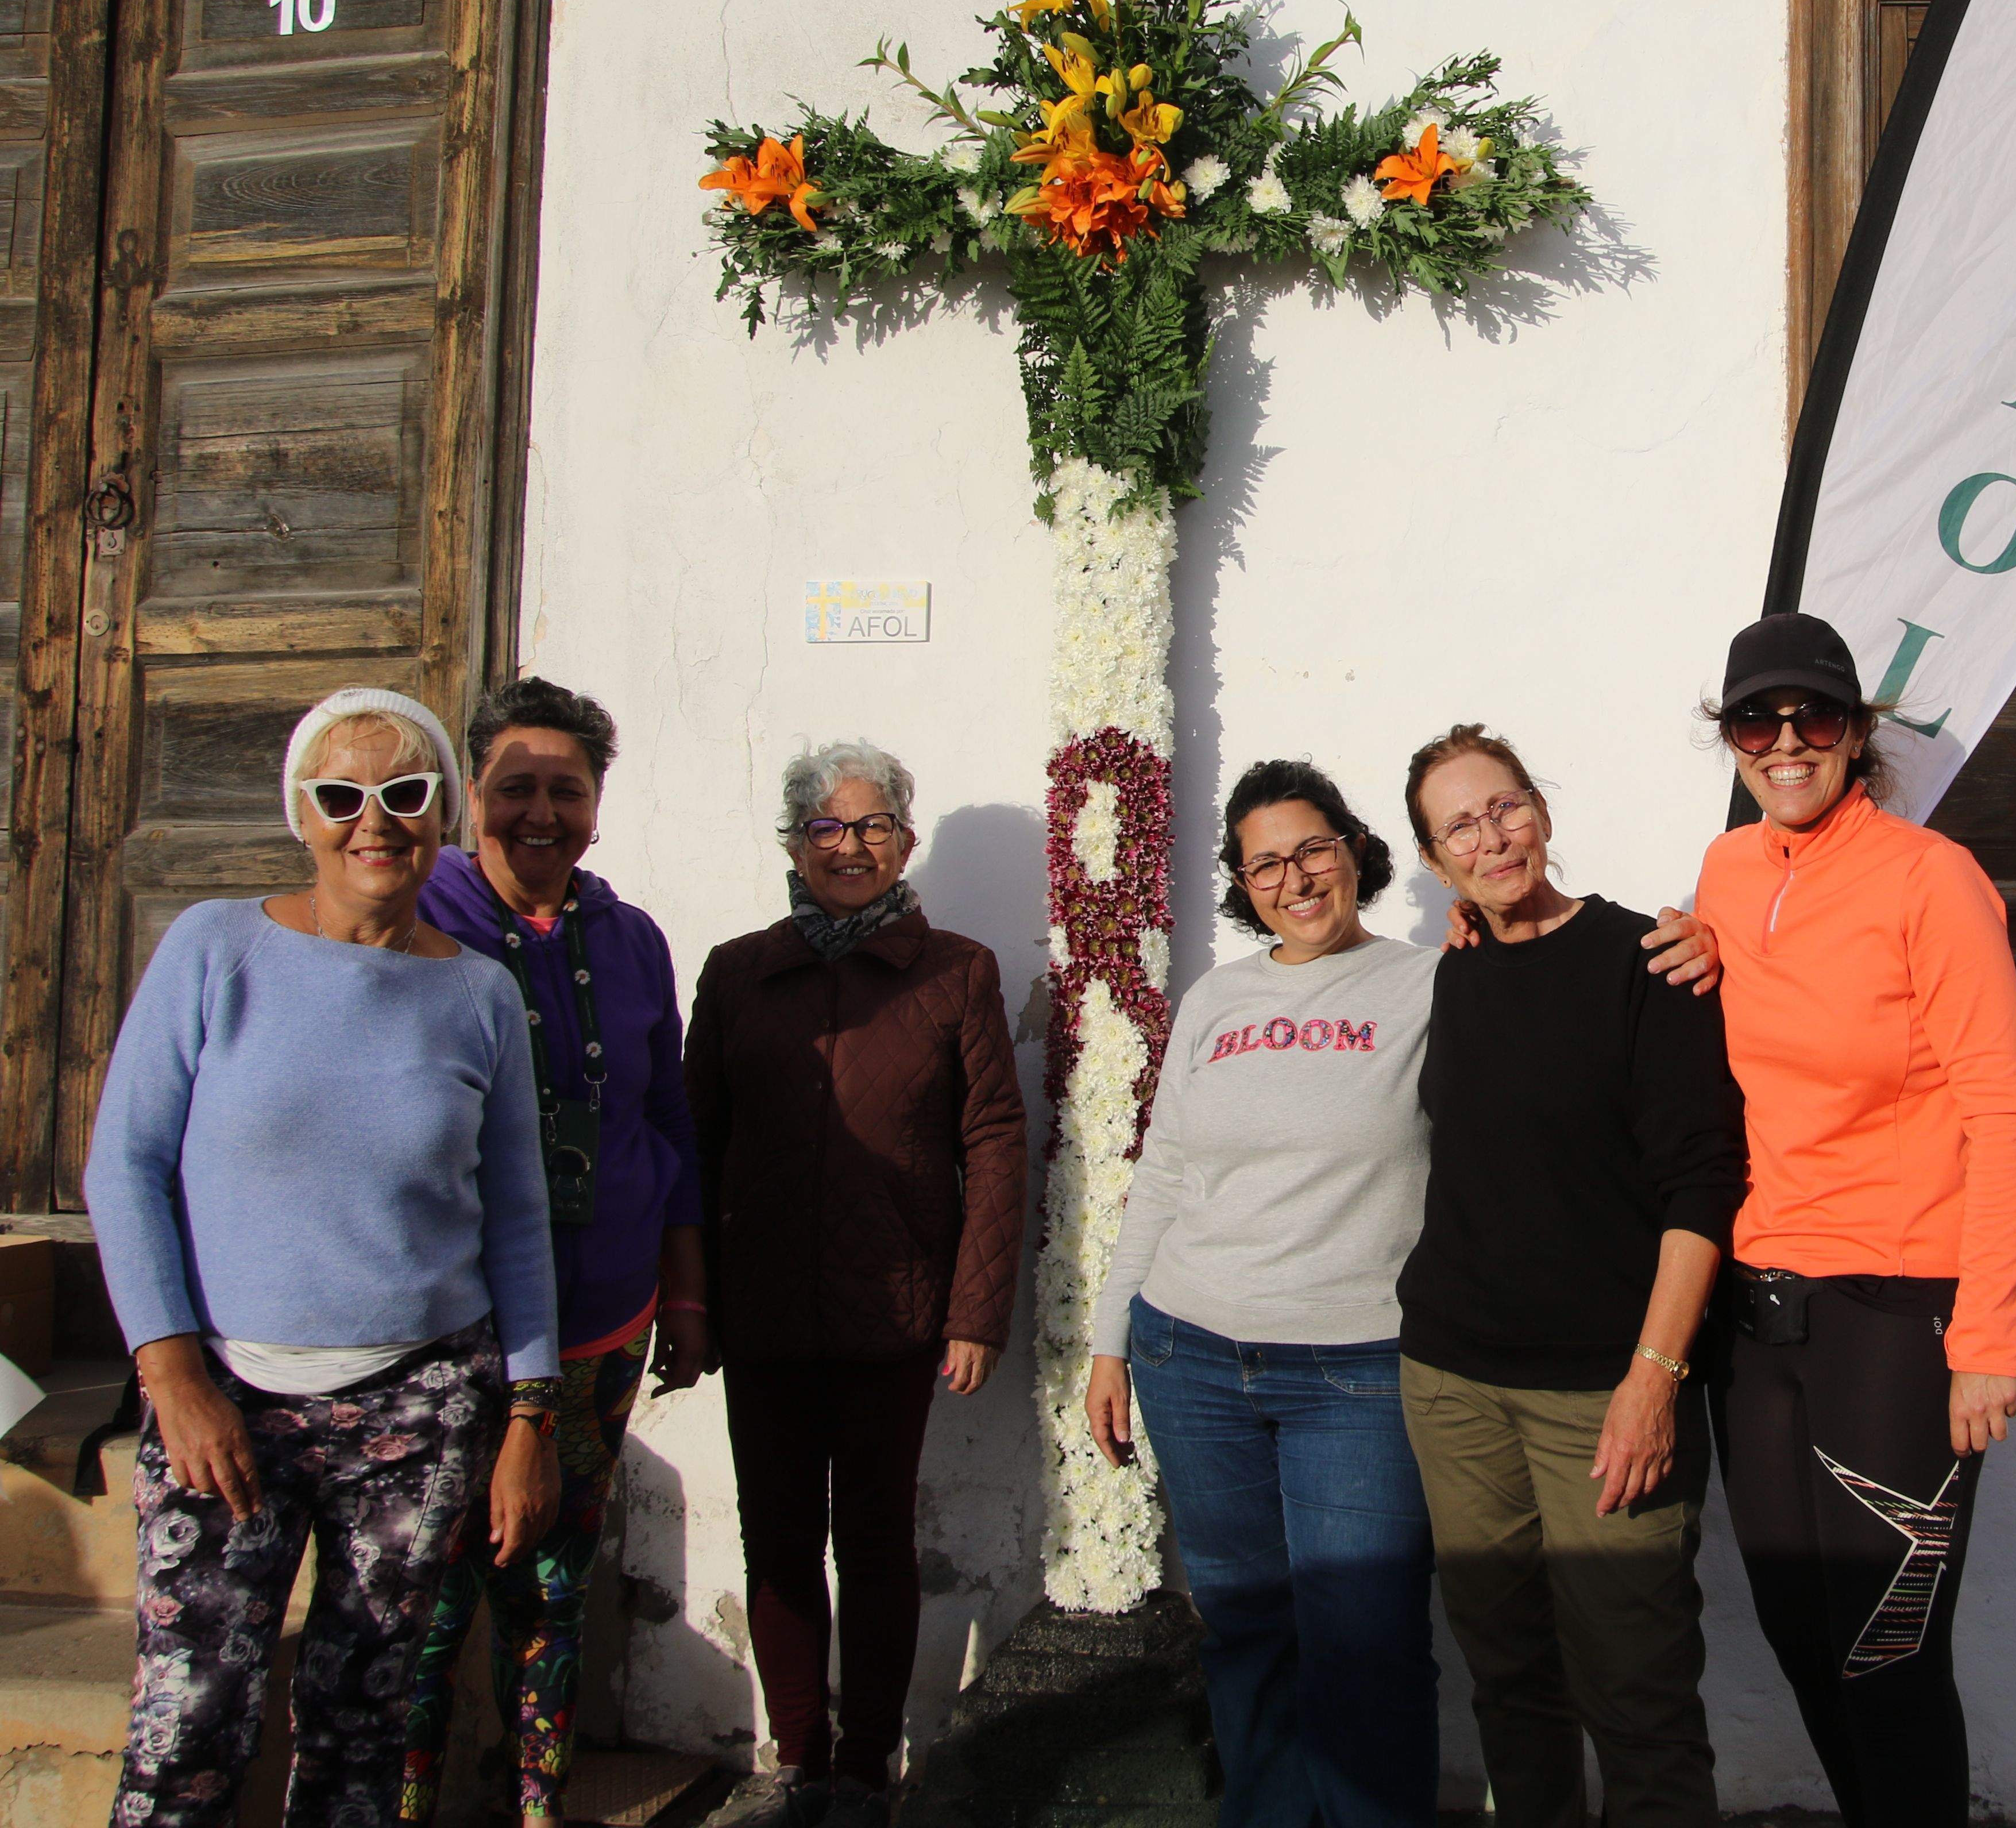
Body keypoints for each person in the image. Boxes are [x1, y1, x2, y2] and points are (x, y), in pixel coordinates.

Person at [85, 687, 562, 1828]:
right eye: (343, 795)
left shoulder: (478, 993)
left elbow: (516, 1217)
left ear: (443, 814)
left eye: (404, 794)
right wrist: (172, 1376)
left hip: (418, 1405)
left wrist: (531, 1423)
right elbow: (125, 1169)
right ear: (302, 813)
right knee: (190, 1720)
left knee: (365, 1722)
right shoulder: (214, 948)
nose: (375, 821)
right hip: (223, 1400)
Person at [1688, 614, 2016, 1828]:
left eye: (1815, 718)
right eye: (1757, 720)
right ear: (1731, 738)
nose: (1785, 743)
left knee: (1886, 1653)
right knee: (1799, 1640)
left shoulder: (1930, 880)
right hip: (1757, 1318)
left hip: (1897, 1317)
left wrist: (1988, 1339)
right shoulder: (1730, 872)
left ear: (1858, 735)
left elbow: (2006, 1118)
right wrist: (1499, 925)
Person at [1083, 759, 1443, 1828]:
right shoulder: (1216, 999)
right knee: (1245, 1631)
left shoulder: (1431, 984)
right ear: (1244, 884)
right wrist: (1112, 1339)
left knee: (1367, 1642)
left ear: (1356, 850)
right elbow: (1165, 1170)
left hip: (1360, 1370)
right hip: (1191, 1359)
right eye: (1266, 862)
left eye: (1314, 848)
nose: (1295, 877)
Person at [1395, 726, 1743, 1828]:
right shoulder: (1452, 975)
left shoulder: (1649, 962)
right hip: (1454, 1386)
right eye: (1459, 826)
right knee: (1510, 1686)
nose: (1491, 838)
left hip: (1606, 1394)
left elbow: (1702, 1189)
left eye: (1504, 807)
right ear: (1436, 861)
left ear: (1540, 808)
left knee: (1636, 1696)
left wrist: (1654, 1382)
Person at [686, 742, 1028, 1828]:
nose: (851, 846)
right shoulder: (738, 972)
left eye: (873, 826)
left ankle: (869, 1767)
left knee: (875, 1542)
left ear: (905, 842)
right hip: (766, 1310)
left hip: (897, 1313)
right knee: (777, 1540)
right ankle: (803, 1761)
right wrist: (691, 1305)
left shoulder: (957, 970)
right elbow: (693, 1144)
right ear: (793, 842)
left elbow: (995, 1139)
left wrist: (975, 1311)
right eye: (828, 828)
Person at [401, 678, 706, 1826]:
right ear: (471, 794)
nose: (542, 812)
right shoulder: (417, 925)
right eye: (517, 787)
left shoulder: (631, 941)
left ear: (597, 806)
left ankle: (537, 1806)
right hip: (446, 1336)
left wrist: (684, 1287)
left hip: (603, 1321)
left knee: (554, 1585)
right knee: (427, 1601)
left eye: (567, 791)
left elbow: (666, 1117)